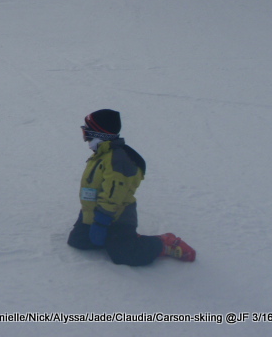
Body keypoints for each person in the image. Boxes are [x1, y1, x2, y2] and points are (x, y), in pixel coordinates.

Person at [67, 109, 196, 265]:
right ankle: (112, 238)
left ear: (99, 134)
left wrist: (101, 221)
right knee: (78, 241)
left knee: (124, 255)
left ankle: (163, 243)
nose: (85, 138)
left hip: (117, 217)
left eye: (87, 132)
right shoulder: (101, 154)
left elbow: (114, 196)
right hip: (95, 213)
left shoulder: (118, 160)